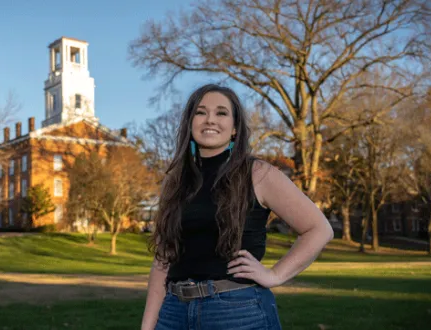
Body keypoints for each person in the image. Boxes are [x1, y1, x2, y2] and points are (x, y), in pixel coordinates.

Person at [140, 84, 334, 330]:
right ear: (190, 123)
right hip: (173, 312)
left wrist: (274, 275)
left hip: (236, 312)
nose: (210, 119)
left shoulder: (257, 173)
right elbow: (162, 261)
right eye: (200, 112)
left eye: (221, 113)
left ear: (234, 129)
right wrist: (148, 326)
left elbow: (319, 229)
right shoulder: (174, 181)